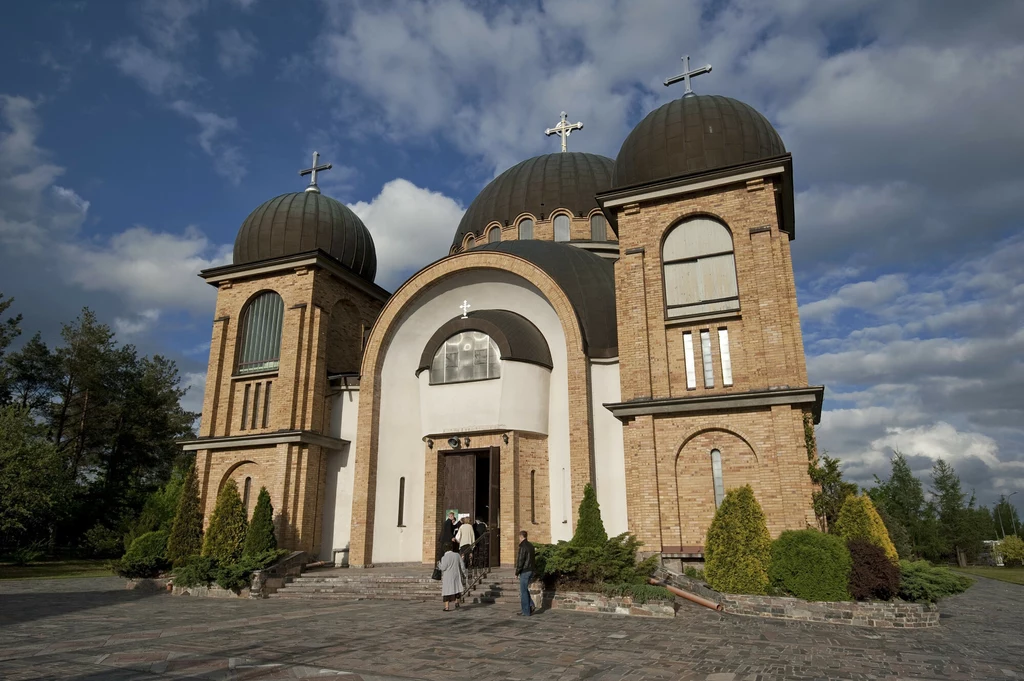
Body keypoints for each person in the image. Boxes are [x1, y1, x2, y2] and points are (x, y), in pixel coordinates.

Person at [438, 538, 465, 612]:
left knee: (447, 591)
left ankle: (447, 607)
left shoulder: (444, 557)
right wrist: (464, 573)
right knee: (457, 589)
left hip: (448, 576)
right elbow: (462, 565)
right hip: (456, 575)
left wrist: (439, 565)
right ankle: (457, 602)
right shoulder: (457, 555)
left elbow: (443, 568)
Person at [515, 530, 536, 617]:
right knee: (525, 589)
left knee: (523, 591)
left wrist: (517, 572)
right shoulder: (530, 545)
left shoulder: (523, 546)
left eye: (519, 537)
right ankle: (531, 604)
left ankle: (526, 611)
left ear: (521, 537)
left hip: (525, 570)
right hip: (531, 569)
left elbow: (521, 561)